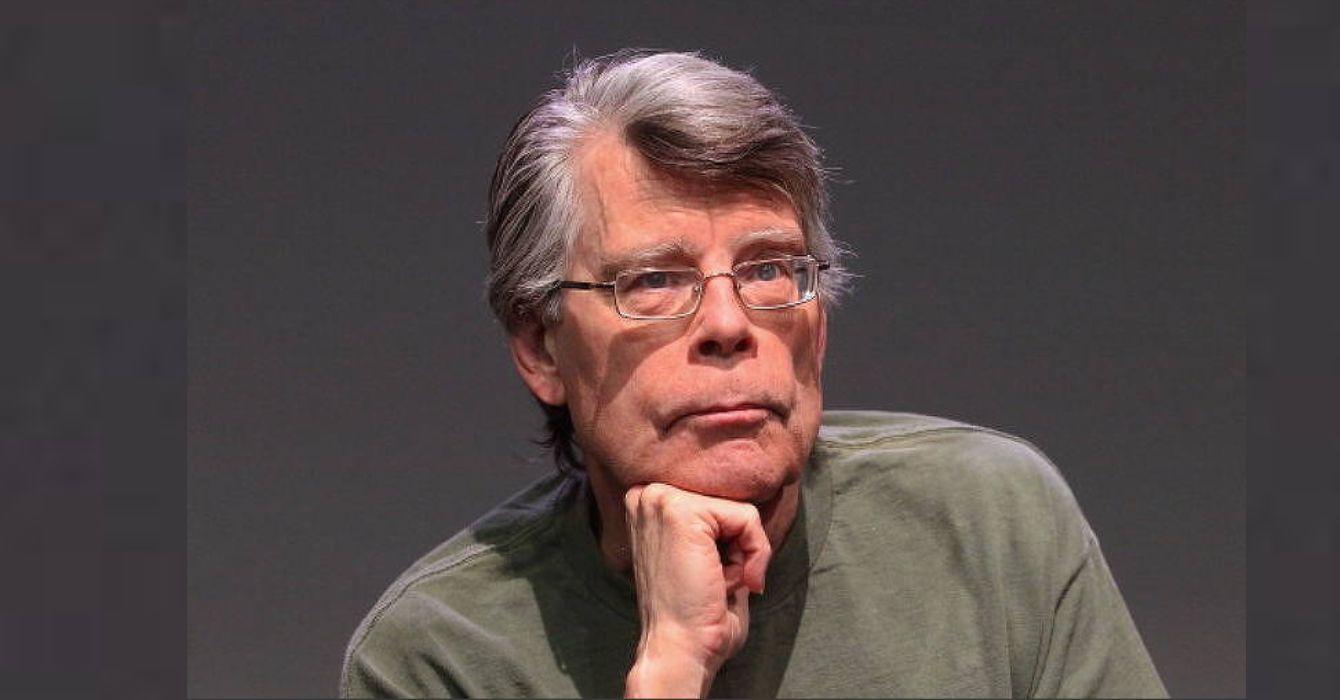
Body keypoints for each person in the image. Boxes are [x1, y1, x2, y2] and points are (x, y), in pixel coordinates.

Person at [340, 49, 1167, 698]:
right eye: (654, 281)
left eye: (770, 269)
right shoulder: (438, 657)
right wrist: (670, 667)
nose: (729, 325)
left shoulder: (990, 521)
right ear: (540, 349)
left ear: (819, 324)